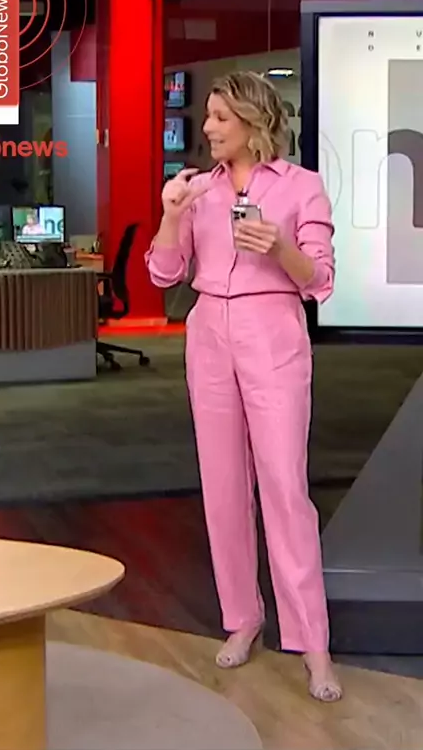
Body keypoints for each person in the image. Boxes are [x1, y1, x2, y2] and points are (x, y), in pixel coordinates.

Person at [145, 71, 342, 702]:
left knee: (284, 488)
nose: (207, 128)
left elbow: (320, 279)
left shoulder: (301, 187)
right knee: (223, 486)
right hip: (209, 333)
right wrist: (172, 215)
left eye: (220, 117)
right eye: (207, 116)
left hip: (272, 331)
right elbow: (164, 273)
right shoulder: (198, 190)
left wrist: (279, 247)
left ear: (255, 122)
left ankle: (313, 643)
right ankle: (243, 617)